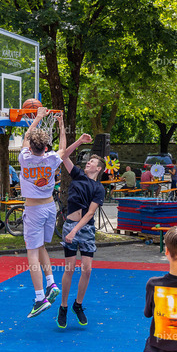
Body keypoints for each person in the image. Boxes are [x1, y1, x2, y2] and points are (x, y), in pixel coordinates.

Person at [18, 107, 66, 318]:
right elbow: (63, 148)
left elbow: (26, 137)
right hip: (49, 207)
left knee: (31, 253)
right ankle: (51, 283)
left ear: (31, 146)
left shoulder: (25, 158)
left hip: (34, 209)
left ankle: (39, 298)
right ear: (46, 147)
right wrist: (61, 125)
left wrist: (37, 117)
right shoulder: (52, 159)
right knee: (41, 247)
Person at [57, 139, 106, 328]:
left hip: (85, 229)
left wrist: (75, 231)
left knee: (87, 270)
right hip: (70, 225)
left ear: (98, 168)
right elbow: (64, 155)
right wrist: (79, 141)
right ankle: (63, 306)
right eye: (88, 161)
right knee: (69, 269)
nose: (88, 163)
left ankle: (78, 305)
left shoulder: (99, 188)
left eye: (92, 162)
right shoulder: (77, 175)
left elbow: (91, 213)